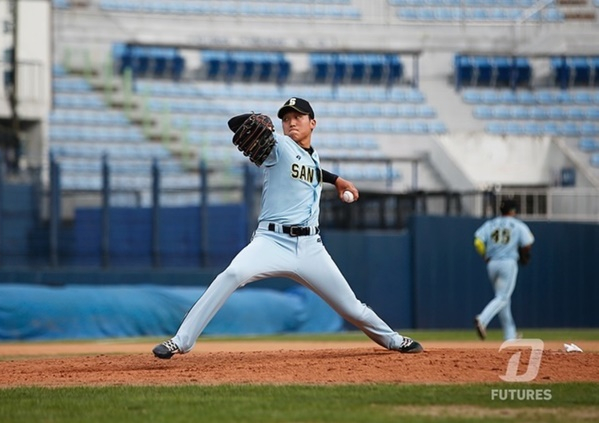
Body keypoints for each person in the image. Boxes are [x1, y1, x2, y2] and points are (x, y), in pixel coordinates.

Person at [152, 97, 423, 359]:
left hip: (310, 248)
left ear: (312, 123)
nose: (291, 122)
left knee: (351, 306)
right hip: (271, 241)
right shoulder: (277, 146)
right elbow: (235, 124)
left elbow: (312, 169)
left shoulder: (313, 157)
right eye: (286, 119)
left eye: (298, 117)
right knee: (232, 274)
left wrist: (336, 179)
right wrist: (252, 120)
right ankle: (180, 341)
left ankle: (393, 339)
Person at [473, 198, 535, 341]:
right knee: (502, 297)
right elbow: (528, 243)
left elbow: (477, 241)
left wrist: (484, 255)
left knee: (503, 300)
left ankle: (510, 336)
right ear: (513, 211)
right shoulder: (517, 224)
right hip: (508, 263)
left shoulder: (490, 224)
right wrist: (524, 253)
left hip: (492, 264)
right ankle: (482, 319)